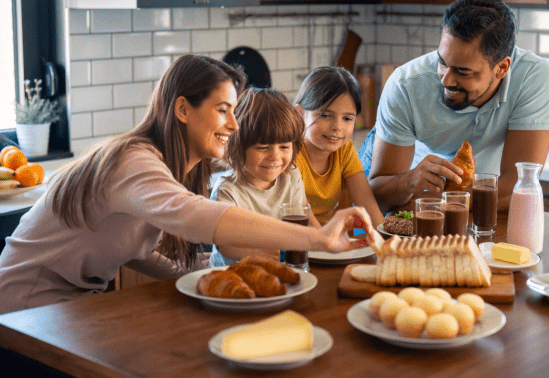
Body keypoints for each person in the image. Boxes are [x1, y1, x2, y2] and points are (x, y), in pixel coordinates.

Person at [0, 55, 374, 314]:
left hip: (71, 305)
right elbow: (194, 216)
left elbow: (134, 249)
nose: (235, 125)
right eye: (223, 110)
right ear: (182, 110)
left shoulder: (174, 168)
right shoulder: (132, 161)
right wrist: (318, 239)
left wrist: (201, 273)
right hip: (25, 309)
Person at [360, 0, 549, 214]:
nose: (445, 79)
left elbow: (517, 187)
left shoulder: (533, 77)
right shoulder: (405, 85)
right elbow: (377, 196)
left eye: (463, 71)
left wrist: (434, 202)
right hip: (412, 186)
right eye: (442, 63)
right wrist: (410, 182)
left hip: (442, 204)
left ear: (502, 68)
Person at [209, 87, 320, 266]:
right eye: (262, 148)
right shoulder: (228, 191)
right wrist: (258, 252)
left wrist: (326, 243)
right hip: (235, 276)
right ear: (238, 146)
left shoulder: (290, 177)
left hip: (281, 271)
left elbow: (307, 223)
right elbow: (225, 246)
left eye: (284, 147)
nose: (275, 157)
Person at [293, 66, 385, 229]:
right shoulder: (289, 153)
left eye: (347, 119)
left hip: (323, 241)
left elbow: (369, 207)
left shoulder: (344, 150)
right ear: (300, 113)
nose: (337, 126)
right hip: (293, 243)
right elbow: (303, 217)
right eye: (326, 115)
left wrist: (389, 246)